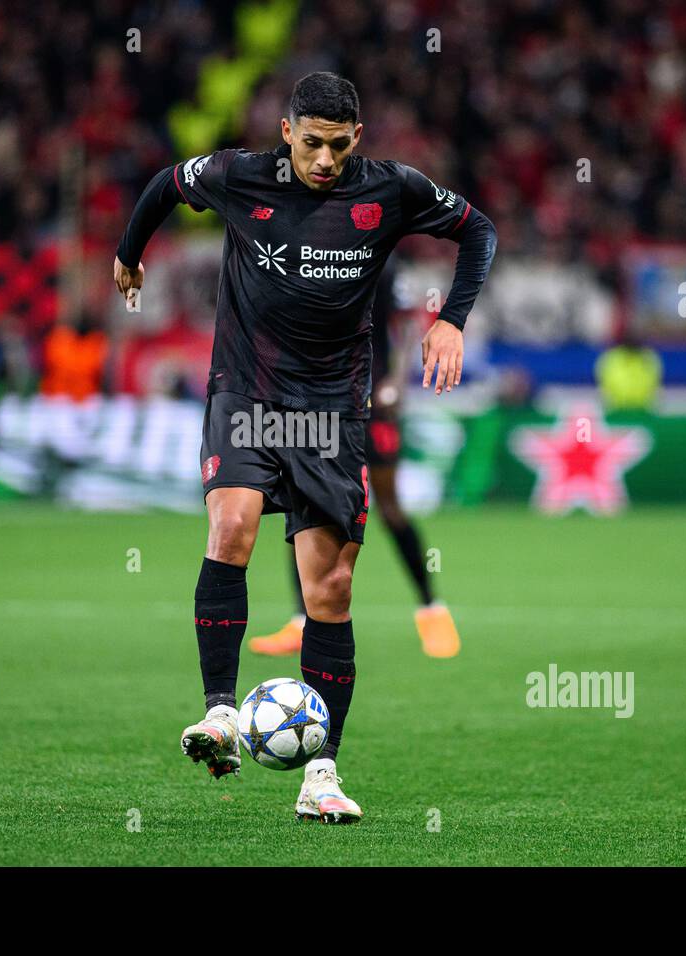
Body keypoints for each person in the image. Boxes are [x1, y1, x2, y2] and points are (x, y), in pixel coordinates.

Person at [113, 72, 495, 823]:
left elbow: (478, 229)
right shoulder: (237, 176)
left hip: (330, 413)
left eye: (338, 145)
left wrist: (451, 318)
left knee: (331, 591)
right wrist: (129, 254)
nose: (324, 159)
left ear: (358, 138)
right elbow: (165, 184)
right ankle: (220, 712)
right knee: (230, 529)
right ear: (286, 131)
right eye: (311, 143)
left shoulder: (393, 191)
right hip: (246, 394)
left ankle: (321, 773)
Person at [249, 257, 462, 659]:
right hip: (316, 398)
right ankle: (300, 621)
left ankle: (431, 609)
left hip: (370, 396)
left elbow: (403, 327)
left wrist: (396, 382)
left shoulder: (383, 261)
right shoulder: (308, 252)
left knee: (389, 505)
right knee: (303, 502)